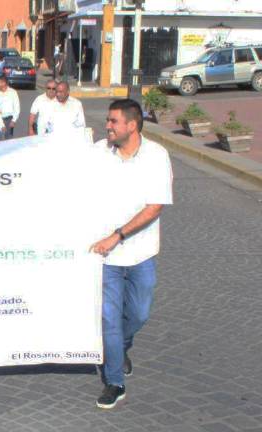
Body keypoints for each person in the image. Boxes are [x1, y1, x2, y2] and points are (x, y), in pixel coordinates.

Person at [89, 99, 173, 409]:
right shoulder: (99, 152)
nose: (107, 126)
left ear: (132, 125)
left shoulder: (156, 156)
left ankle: (120, 347)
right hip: (106, 257)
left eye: (113, 121)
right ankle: (114, 381)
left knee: (138, 314)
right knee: (109, 319)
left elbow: (155, 206)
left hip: (141, 254)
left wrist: (118, 235)